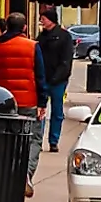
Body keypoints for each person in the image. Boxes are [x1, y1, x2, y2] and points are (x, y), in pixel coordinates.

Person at [0, 11, 42, 195]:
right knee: (33, 139)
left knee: (5, 138)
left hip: (3, 101)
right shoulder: (33, 46)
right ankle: (25, 173)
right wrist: (42, 103)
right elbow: (40, 76)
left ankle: (3, 174)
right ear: (25, 28)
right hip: (28, 101)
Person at [35, 9, 76, 153]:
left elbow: (66, 60)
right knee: (40, 110)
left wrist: (57, 77)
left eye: (43, 19)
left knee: (57, 112)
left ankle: (53, 140)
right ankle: (38, 139)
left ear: (51, 20)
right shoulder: (41, 37)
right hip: (42, 78)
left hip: (58, 81)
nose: (41, 21)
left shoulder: (64, 37)